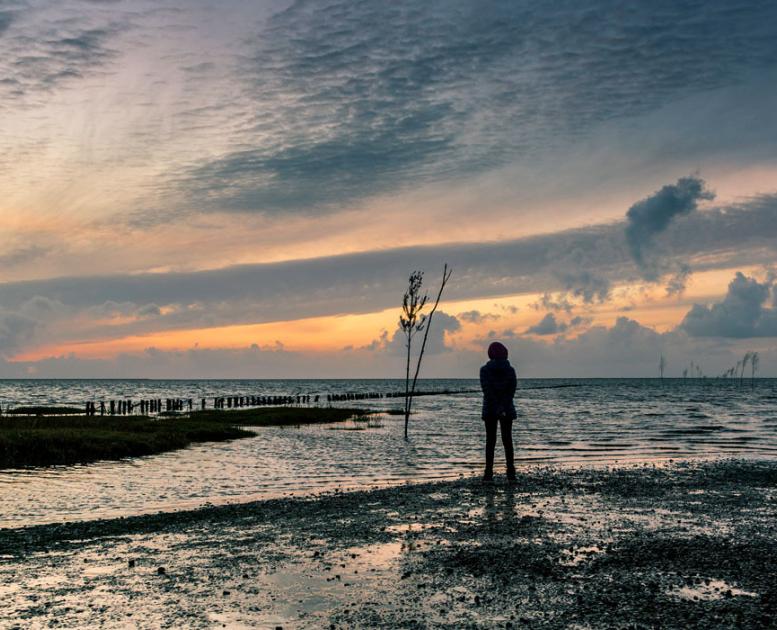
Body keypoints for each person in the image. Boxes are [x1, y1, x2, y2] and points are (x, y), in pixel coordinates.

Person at [479, 341, 517, 483]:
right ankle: (511, 474)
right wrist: (502, 407)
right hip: (507, 408)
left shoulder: (484, 370)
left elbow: (487, 391)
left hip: (490, 409)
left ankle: (488, 474)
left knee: (491, 441)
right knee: (508, 441)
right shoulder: (510, 370)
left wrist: (496, 407)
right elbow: (511, 390)